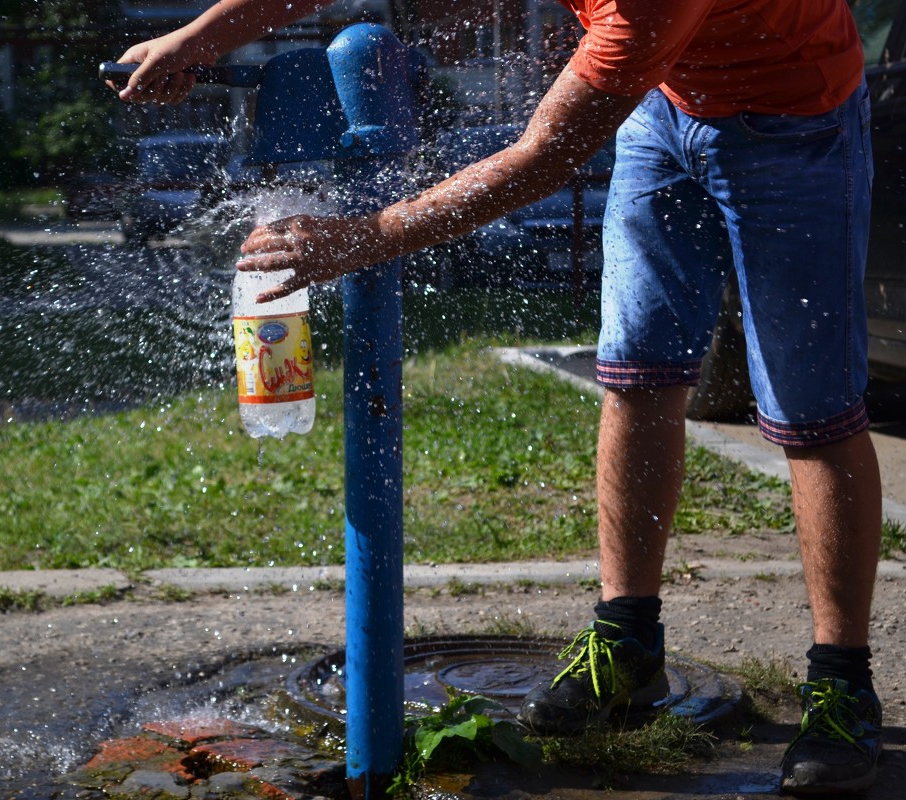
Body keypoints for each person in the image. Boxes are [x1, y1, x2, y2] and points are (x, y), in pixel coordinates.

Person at [112, 0, 883, 794]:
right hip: (662, 106)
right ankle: (626, 647)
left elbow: (545, 156)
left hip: (797, 122)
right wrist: (198, 38)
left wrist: (369, 234)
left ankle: (841, 686)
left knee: (809, 414)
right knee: (637, 380)